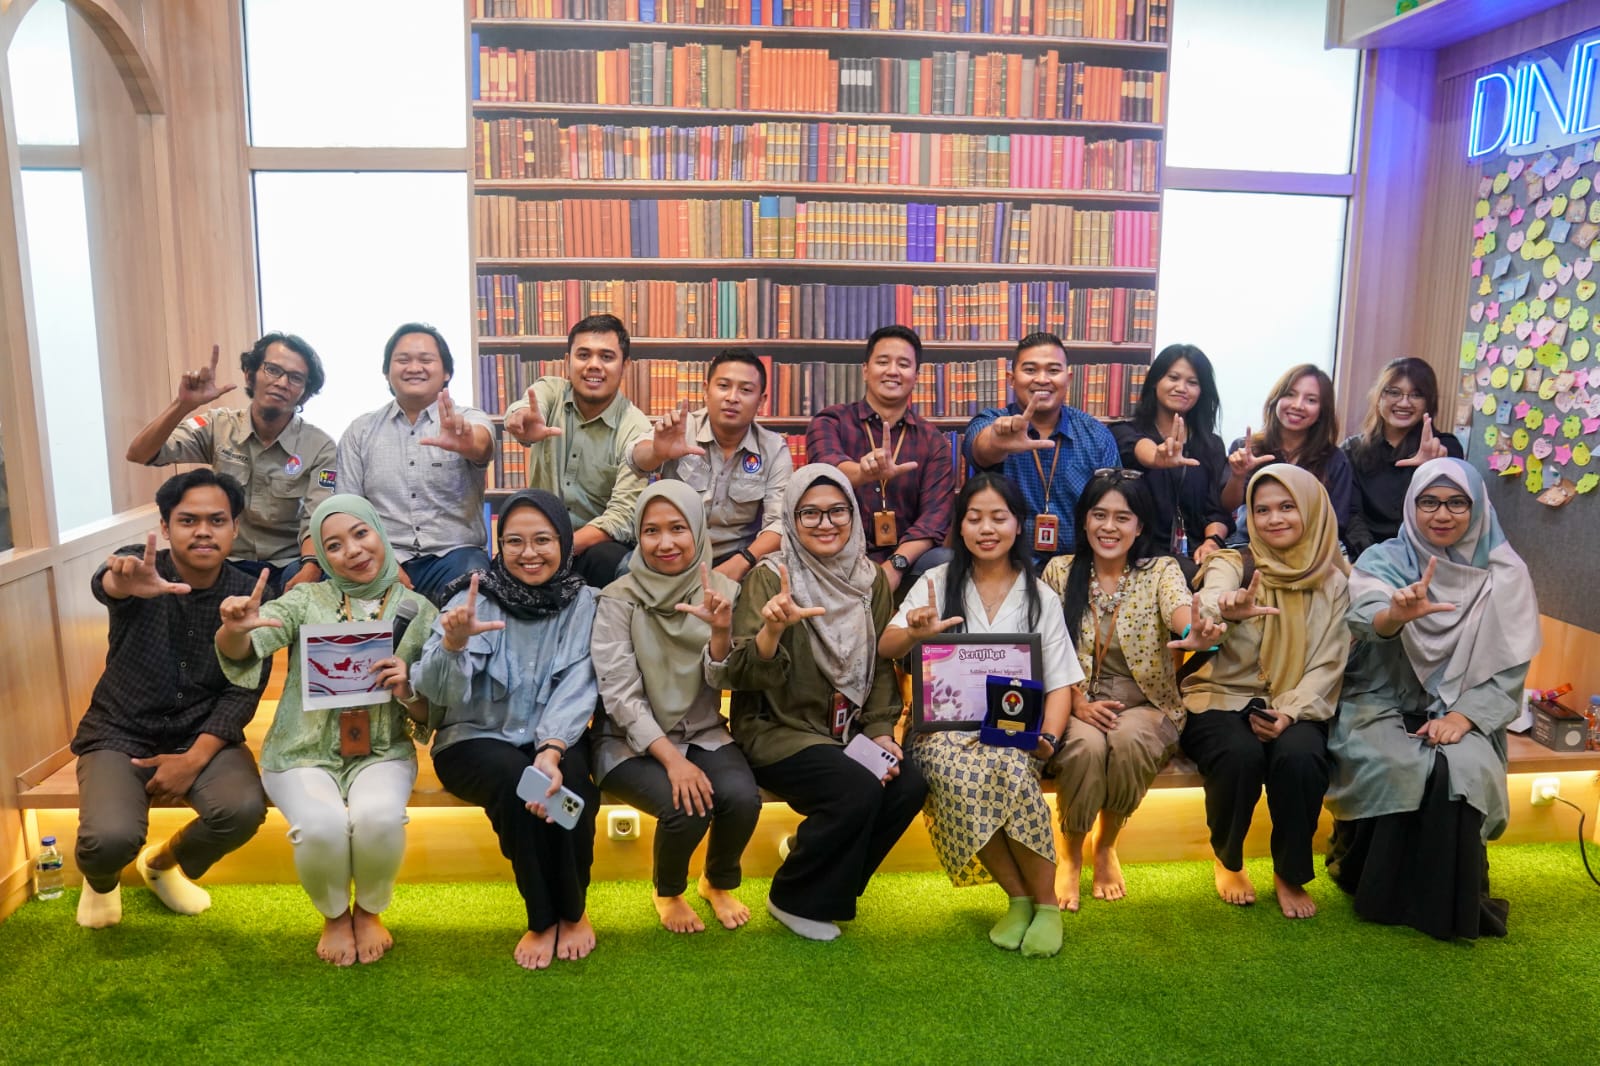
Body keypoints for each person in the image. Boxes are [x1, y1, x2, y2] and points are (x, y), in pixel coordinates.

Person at [216, 495, 438, 966]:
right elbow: (246, 648)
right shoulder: (304, 600)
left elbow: (428, 710)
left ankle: (369, 911)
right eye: (333, 545)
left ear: (380, 532)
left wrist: (406, 689)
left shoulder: (419, 610)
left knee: (379, 818)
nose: (352, 550)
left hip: (381, 749)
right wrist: (234, 630)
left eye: (361, 533)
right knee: (321, 826)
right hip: (301, 749)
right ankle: (335, 916)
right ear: (320, 554)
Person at [1325, 459, 1537, 940]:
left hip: (1466, 705)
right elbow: (1364, 613)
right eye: (1429, 502)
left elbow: (1511, 665)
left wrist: (1465, 717)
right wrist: (1395, 616)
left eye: (1457, 502)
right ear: (1412, 506)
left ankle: (1453, 901)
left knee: (1461, 770)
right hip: (1378, 696)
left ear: (1477, 507)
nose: (1442, 514)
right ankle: (1372, 886)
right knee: (1398, 764)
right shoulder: (1386, 558)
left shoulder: (1505, 573)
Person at [721, 464, 928, 941]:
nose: (825, 523)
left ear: (854, 514)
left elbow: (879, 666)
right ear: (791, 520)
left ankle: (823, 865)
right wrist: (772, 631)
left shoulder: (870, 581)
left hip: (846, 730)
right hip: (777, 728)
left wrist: (880, 731)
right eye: (809, 513)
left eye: (837, 511)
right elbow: (744, 676)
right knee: (856, 788)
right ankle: (794, 897)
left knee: (909, 784)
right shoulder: (770, 579)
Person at [879, 473, 1076, 957]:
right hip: (940, 729)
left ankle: (1046, 905)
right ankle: (1020, 898)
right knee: (952, 773)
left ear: (1018, 524)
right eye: (974, 518)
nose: (987, 529)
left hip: (1014, 727)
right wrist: (914, 634)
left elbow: (1061, 684)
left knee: (1008, 768)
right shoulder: (935, 583)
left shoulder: (1041, 596)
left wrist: (1048, 740)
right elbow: (886, 646)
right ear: (960, 526)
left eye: (998, 518)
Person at [412, 489, 602, 970]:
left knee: (574, 790)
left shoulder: (583, 602)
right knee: (522, 789)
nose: (528, 552)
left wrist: (551, 750)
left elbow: (579, 682)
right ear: (499, 545)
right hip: (473, 738)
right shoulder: (471, 598)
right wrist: (452, 646)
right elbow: (437, 693)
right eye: (514, 541)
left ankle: (573, 910)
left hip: (553, 736)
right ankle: (543, 918)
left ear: (563, 542)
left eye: (542, 540)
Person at [71, 470, 269, 930]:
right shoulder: (143, 570)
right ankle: (100, 882)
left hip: (202, 731)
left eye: (217, 520)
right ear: (165, 527)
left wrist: (193, 759)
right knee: (108, 839)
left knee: (241, 810)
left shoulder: (250, 594)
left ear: (235, 527)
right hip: (119, 731)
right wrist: (120, 581)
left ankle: (162, 864)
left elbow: (244, 689)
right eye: (187, 520)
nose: (203, 531)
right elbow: (110, 581)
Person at [1040, 470, 1222, 912]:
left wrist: (1196, 633)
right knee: (1084, 749)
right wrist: (1076, 701)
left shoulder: (1160, 571)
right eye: (1099, 515)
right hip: (1073, 700)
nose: (1109, 527)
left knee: (1127, 741)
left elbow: (1182, 613)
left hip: (1146, 704)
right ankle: (1071, 850)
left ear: (1139, 526)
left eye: (1122, 517)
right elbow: (1042, 646)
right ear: (1084, 520)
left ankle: (1106, 843)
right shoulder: (1059, 571)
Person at [590, 481, 761, 934]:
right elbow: (619, 694)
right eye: (651, 531)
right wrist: (673, 761)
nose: (665, 542)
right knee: (687, 807)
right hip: (626, 741)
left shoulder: (723, 592)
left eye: (678, 528)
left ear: (698, 531)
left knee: (741, 799)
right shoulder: (618, 598)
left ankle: (716, 882)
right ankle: (667, 891)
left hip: (702, 730)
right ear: (638, 537)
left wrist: (721, 632)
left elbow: (727, 679)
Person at [1181, 464, 1351, 919]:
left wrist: (1290, 713)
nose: (1274, 519)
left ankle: (1289, 872)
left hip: (1295, 700)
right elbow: (1209, 600)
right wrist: (1227, 609)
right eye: (1262, 510)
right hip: (1220, 694)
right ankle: (1228, 859)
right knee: (1239, 755)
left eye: (1287, 507)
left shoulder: (1334, 581)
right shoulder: (1233, 562)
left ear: (1311, 510)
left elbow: (1329, 661)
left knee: (1301, 758)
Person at [126, 335, 335, 591]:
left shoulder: (320, 447)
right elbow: (140, 454)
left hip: (288, 562)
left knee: (322, 583)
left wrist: (311, 567)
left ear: (305, 393)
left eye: (295, 378)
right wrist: (183, 405)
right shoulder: (219, 426)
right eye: (273, 370)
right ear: (249, 374)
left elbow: (317, 517)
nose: (282, 383)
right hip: (225, 561)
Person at [336, 322, 495, 607]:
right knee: (337, 587)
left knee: (474, 582)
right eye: (403, 360)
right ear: (387, 371)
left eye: (425, 360)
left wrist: (468, 443)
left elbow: (483, 445)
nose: (414, 368)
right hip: (382, 556)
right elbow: (348, 510)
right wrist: (383, 563)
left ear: (446, 372)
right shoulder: (360, 431)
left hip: (454, 555)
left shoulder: (468, 419)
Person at [502, 313, 652, 587]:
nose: (593, 365)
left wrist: (560, 548)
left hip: (594, 545)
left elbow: (622, 516)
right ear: (567, 362)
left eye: (606, 357)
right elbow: (527, 407)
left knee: (610, 559)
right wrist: (520, 419)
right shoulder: (550, 391)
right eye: (583, 355)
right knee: (494, 575)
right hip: (537, 540)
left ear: (625, 366)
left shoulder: (635, 427)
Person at [806, 325, 956, 594]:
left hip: (906, 562)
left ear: (916, 376)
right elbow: (824, 469)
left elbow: (934, 520)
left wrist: (896, 565)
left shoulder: (934, 441)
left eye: (903, 364)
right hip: (837, 552)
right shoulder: (830, 421)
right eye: (883, 362)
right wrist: (863, 473)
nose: (892, 371)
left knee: (944, 560)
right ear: (865, 370)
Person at [627, 348, 792, 583]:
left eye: (745, 390)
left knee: (770, 578)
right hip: (672, 552)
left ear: (761, 401)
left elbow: (779, 523)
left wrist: (741, 563)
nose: (732, 397)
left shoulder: (773, 449)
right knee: (624, 571)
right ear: (706, 390)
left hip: (737, 557)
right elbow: (634, 457)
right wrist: (656, 452)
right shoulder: (682, 428)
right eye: (723, 386)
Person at [964, 332, 1120, 564]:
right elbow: (980, 448)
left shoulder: (1096, 435)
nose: (1042, 379)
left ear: (1068, 378)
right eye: (1030, 370)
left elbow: (1116, 504)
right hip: (1007, 567)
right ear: (1011, 379)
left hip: (1078, 567)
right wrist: (997, 442)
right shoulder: (993, 422)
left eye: (1053, 370)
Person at [1109, 343, 1231, 576]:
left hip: (1196, 557)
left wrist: (1212, 542)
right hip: (1139, 557)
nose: (1181, 388)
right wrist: (1157, 457)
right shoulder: (1123, 432)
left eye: (1192, 382)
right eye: (1173, 378)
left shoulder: (1211, 445)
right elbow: (1139, 449)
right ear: (1156, 381)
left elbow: (1216, 509)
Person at [1341, 358, 1463, 560]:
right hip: (1367, 557)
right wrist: (1373, 559)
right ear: (1378, 397)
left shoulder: (1444, 447)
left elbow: (1451, 514)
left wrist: (1432, 470)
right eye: (1394, 392)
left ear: (1429, 402)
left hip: (1426, 556)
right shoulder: (1351, 450)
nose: (1404, 403)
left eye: (1416, 395)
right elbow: (1351, 514)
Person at [1221, 364, 1354, 547]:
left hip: (1311, 548)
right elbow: (1227, 508)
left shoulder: (1335, 459)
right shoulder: (1247, 448)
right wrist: (1238, 475)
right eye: (1290, 394)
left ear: (1322, 410)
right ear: (1276, 399)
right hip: (1250, 545)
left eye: (1311, 400)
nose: (1297, 405)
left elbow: (1337, 522)